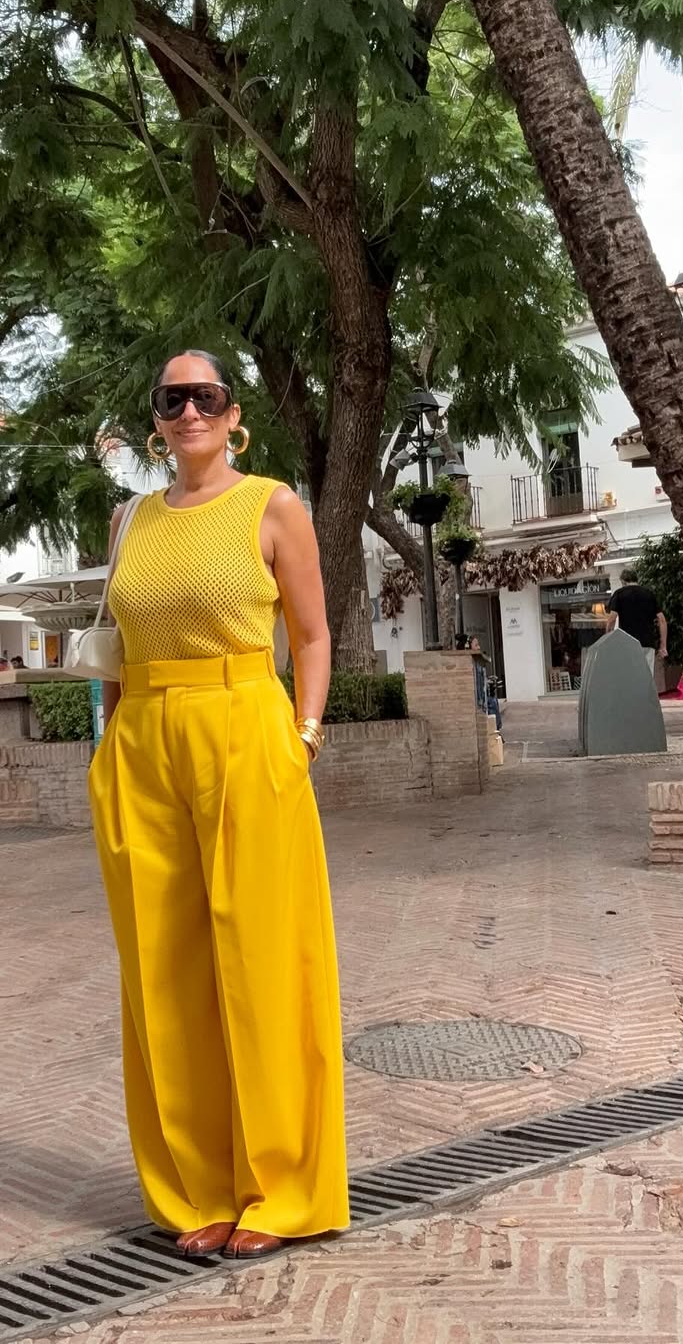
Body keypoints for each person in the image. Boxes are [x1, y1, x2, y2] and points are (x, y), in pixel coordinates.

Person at [87, 350, 348, 1261]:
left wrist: (303, 737)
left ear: (235, 414)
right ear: (157, 418)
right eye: (173, 398)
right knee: (162, 972)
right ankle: (196, 1186)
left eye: (207, 396)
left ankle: (282, 1188)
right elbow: (118, 648)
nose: (190, 410)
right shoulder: (130, 518)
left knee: (262, 961)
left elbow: (311, 635)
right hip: (141, 742)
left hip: (245, 728)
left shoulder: (272, 505)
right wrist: (107, 747)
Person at [605, 566, 668, 675]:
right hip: (647, 643)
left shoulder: (619, 594)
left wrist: (607, 640)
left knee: (630, 677)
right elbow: (662, 620)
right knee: (647, 677)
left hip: (627, 644)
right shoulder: (649, 594)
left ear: (623, 581)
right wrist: (663, 645)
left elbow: (612, 620)